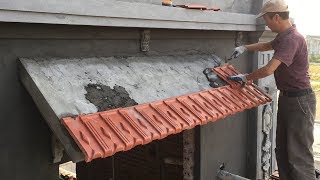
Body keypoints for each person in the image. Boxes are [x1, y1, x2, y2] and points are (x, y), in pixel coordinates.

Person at [227, 0, 317, 179]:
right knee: (282, 149)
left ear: (276, 17)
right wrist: (244, 48)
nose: (265, 23)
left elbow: (269, 69)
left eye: (266, 19)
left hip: (299, 101)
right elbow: (266, 46)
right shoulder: (284, 36)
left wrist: (245, 78)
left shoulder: (292, 39)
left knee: (298, 154)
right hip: (288, 98)